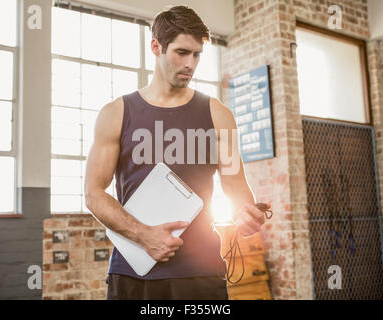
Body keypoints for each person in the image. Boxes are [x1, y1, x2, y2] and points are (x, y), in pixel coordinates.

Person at [84, 5, 269, 300]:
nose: (190, 64)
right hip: (133, 272)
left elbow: (238, 192)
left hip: (201, 273)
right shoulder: (116, 114)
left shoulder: (219, 115)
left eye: (197, 55)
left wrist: (248, 217)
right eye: (182, 52)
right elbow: (93, 193)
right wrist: (143, 235)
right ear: (156, 46)